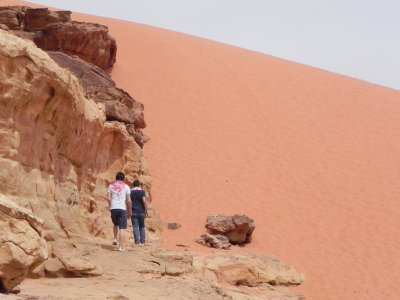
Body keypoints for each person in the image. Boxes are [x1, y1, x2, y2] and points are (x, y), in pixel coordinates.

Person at [107, 172, 131, 252]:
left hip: (113, 208)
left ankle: (115, 239)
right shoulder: (126, 187)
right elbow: (128, 200)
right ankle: (120, 247)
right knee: (122, 227)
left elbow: (108, 198)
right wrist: (129, 210)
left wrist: (111, 205)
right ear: (123, 178)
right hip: (122, 208)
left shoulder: (111, 186)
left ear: (116, 178)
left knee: (115, 224)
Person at [130, 179, 149, 245]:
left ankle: (137, 241)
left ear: (133, 185)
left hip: (133, 211)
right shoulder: (142, 192)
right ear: (139, 185)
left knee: (135, 226)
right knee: (142, 226)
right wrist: (146, 210)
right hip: (141, 211)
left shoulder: (130, 192)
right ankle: (143, 241)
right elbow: (144, 201)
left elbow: (129, 202)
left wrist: (129, 211)